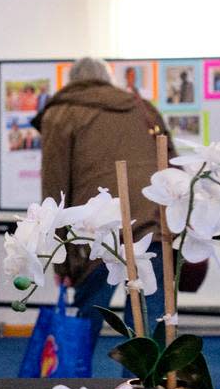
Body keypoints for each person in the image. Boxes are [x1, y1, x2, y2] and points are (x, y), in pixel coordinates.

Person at [32, 56, 175, 357]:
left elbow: (55, 190)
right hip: (153, 227)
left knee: (85, 323)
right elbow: (172, 169)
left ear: (72, 80)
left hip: (96, 233)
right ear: (107, 79)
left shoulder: (61, 113)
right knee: (147, 326)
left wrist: (63, 260)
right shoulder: (142, 108)